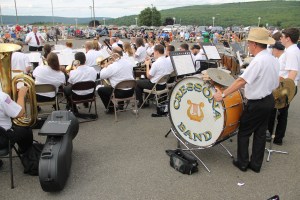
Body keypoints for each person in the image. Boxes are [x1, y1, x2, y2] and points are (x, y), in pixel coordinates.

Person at [213, 27, 279, 173]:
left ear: (254, 44)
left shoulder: (258, 61)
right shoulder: (273, 59)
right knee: (260, 133)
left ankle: (242, 163)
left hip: (257, 103)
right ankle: (256, 164)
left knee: (244, 132)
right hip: (268, 99)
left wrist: (222, 94)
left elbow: (240, 82)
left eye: (249, 43)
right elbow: (275, 84)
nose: (248, 46)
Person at [268, 28, 300, 145]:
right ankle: (276, 136)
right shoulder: (291, 50)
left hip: (286, 88)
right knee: (280, 113)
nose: (280, 38)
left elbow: (293, 72)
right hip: (285, 86)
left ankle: (276, 137)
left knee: (279, 113)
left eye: (282, 36)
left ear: (288, 38)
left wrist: (284, 90)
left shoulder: (291, 52)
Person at [0, 87, 33, 168]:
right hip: (2, 141)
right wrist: (21, 96)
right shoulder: (2, 97)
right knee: (25, 128)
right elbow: (20, 113)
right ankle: (27, 154)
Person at [97, 47, 135, 113]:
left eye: (111, 53)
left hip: (119, 93)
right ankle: (121, 105)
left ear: (114, 54)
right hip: (131, 91)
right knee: (120, 81)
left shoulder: (113, 66)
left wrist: (106, 65)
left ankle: (111, 109)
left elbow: (101, 75)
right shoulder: (129, 62)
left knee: (100, 90)